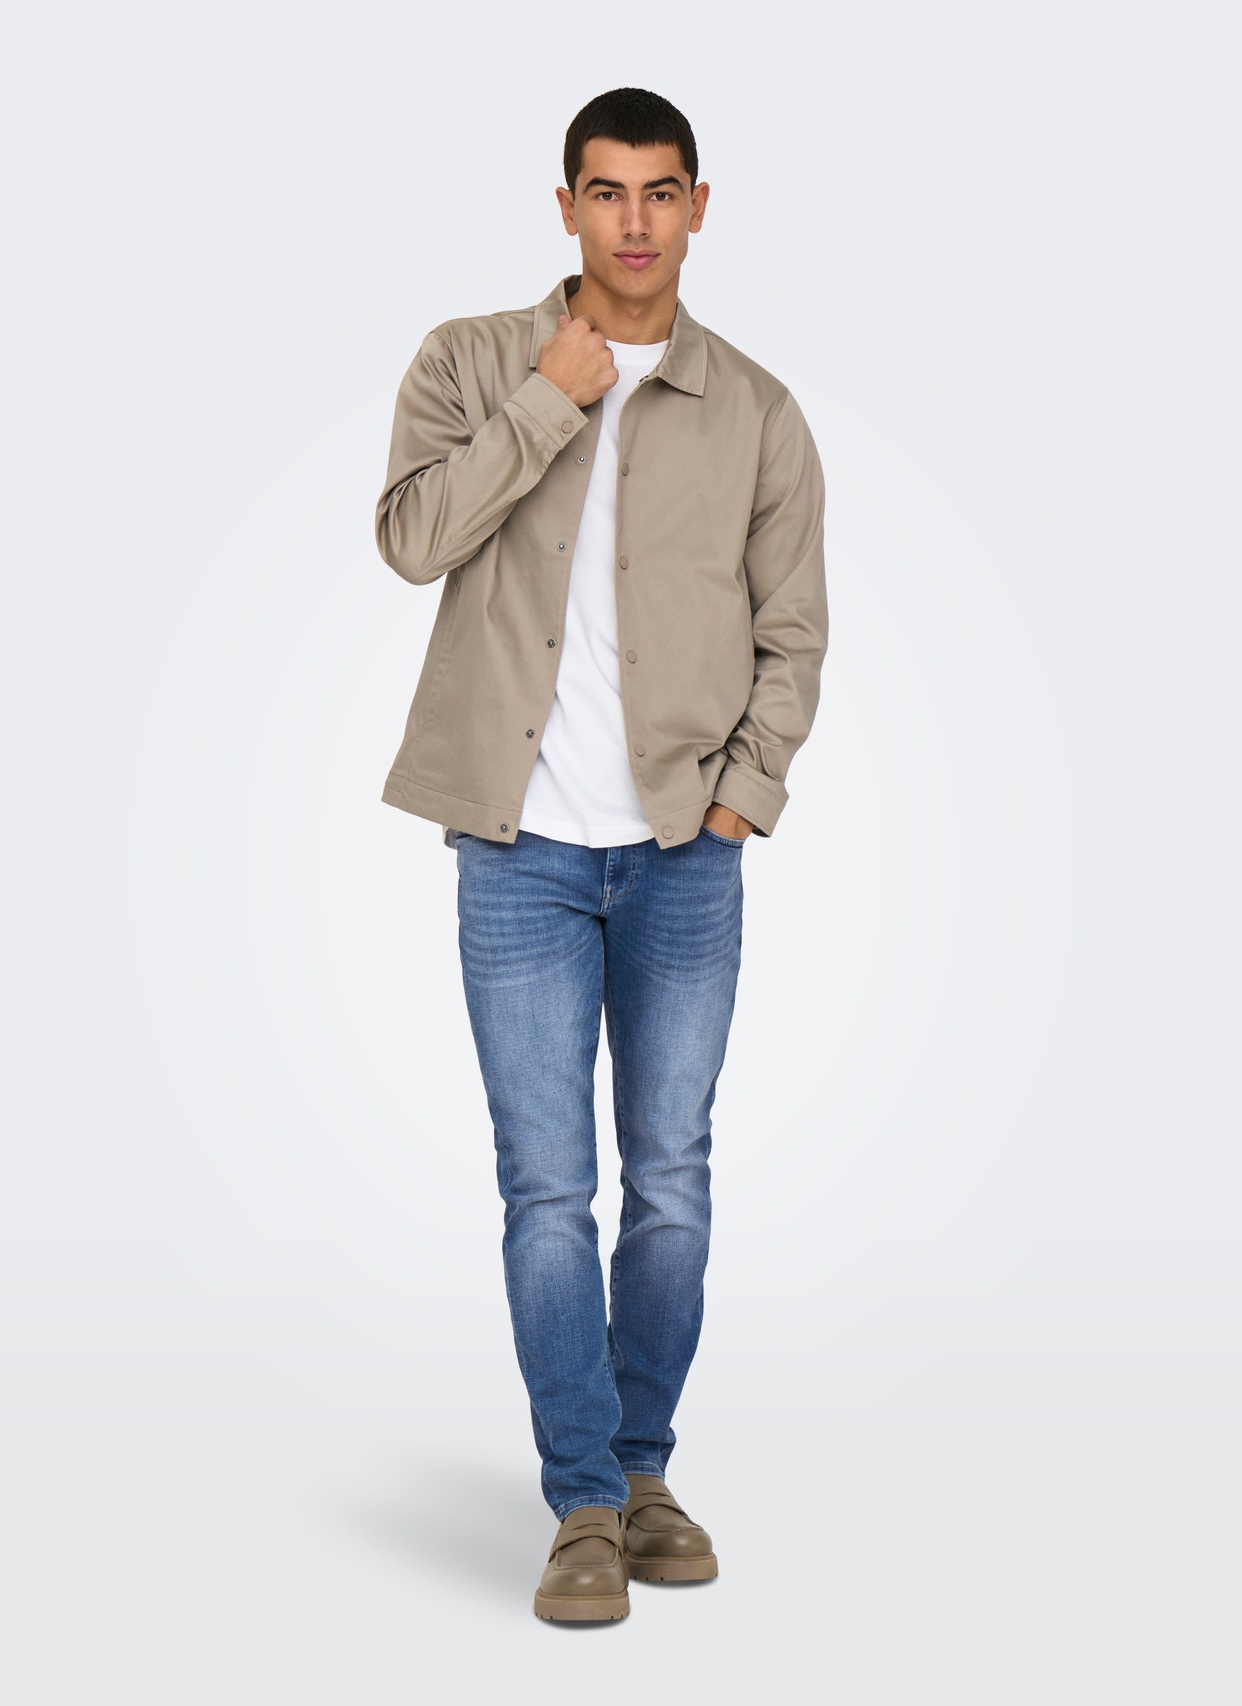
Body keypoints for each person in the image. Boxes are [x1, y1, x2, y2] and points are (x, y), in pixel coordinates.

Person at [373, 87, 829, 1622]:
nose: (634, 219)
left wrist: (743, 794)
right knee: (548, 1190)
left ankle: (645, 1471)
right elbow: (411, 539)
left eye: (660, 191)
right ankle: (580, 1499)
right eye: (605, 191)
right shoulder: (468, 362)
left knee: (675, 1183)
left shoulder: (759, 409)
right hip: (518, 855)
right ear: (565, 206)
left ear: (699, 206)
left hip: (684, 855)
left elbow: (794, 630)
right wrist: (546, 403)